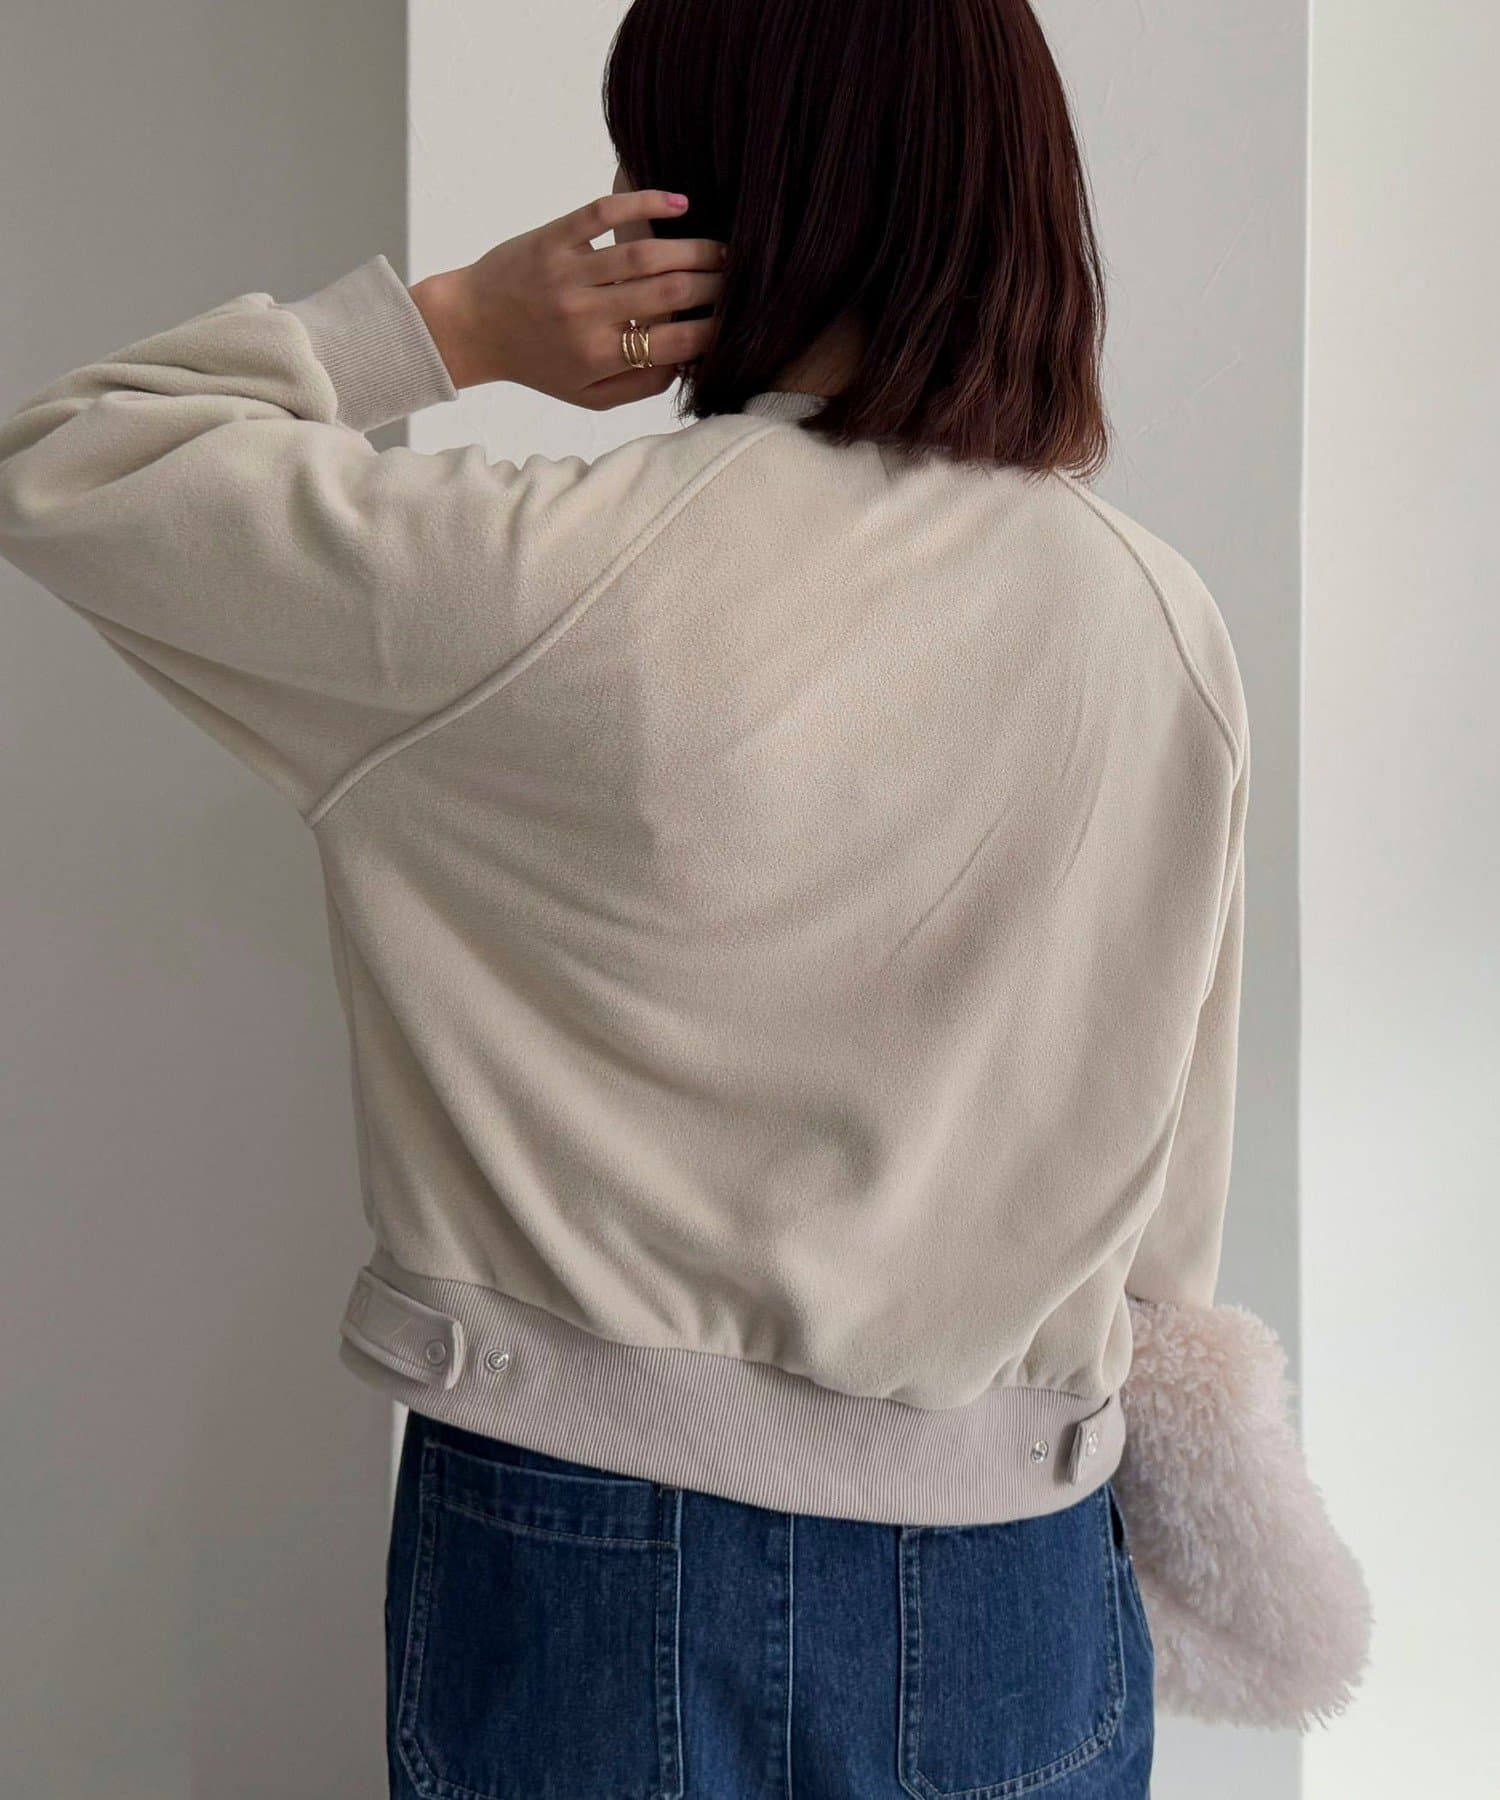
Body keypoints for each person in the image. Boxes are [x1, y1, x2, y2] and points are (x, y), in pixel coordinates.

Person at [1, 1, 1272, 1794]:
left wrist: (455, 324)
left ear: (697, 197)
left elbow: (76, 459)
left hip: (584, 1548)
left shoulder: (539, 585)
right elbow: (1165, 1173)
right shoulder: (1157, 622)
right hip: (1016, 1576)